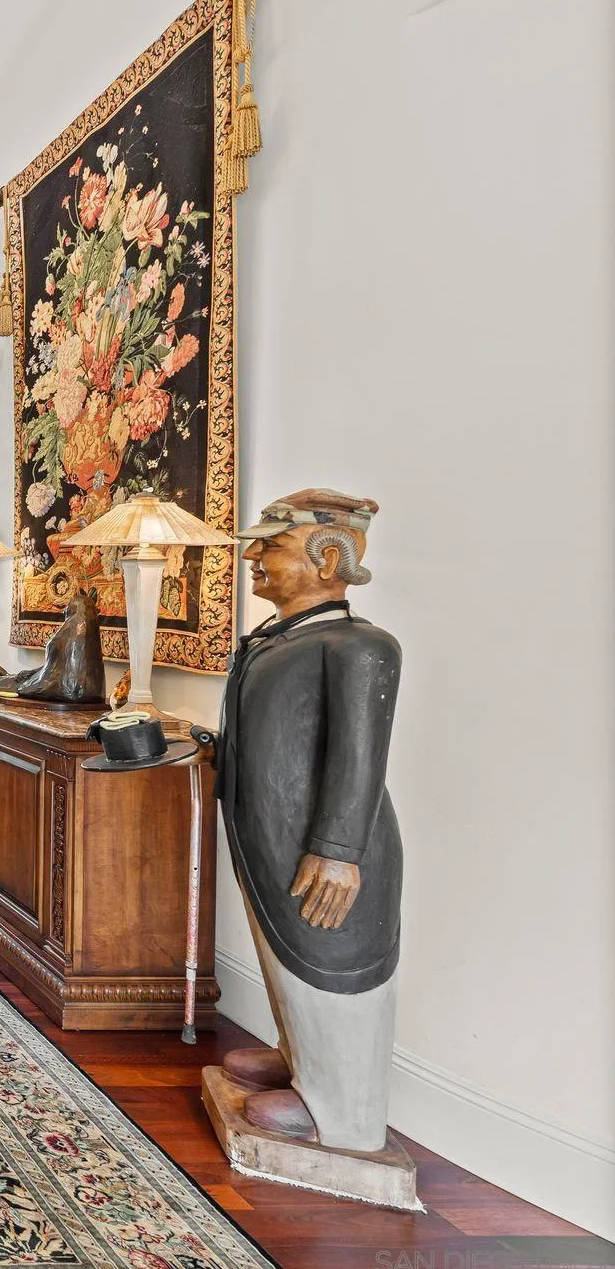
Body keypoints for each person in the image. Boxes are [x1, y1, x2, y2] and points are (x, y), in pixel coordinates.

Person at [215, 488, 400, 1150]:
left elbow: (360, 759)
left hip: (324, 848)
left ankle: (340, 1108)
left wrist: (338, 850)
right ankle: (301, 1061)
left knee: (328, 962)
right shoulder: (272, 642)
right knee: (283, 959)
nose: (255, 556)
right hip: (268, 835)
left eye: (273, 545)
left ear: (329, 560)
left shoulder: (360, 648)